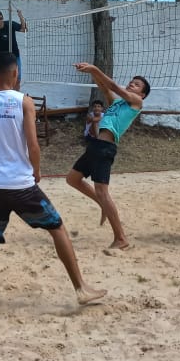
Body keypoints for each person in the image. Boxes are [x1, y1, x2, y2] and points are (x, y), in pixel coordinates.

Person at [0, 51, 107, 319]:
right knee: (56, 227)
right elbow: (33, 145)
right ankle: (81, 287)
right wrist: (36, 171)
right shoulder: (23, 102)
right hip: (20, 184)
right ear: (15, 74)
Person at [64, 62, 149, 251]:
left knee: (103, 191)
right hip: (95, 145)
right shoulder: (117, 103)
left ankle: (121, 238)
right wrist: (91, 74)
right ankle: (101, 204)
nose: (131, 85)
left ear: (141, 94)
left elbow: (113, 86)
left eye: (136, 85)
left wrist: (94, 68)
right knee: (72, 179)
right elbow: (105, 87)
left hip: (106, 148)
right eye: (131, 82)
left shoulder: (137, 103)